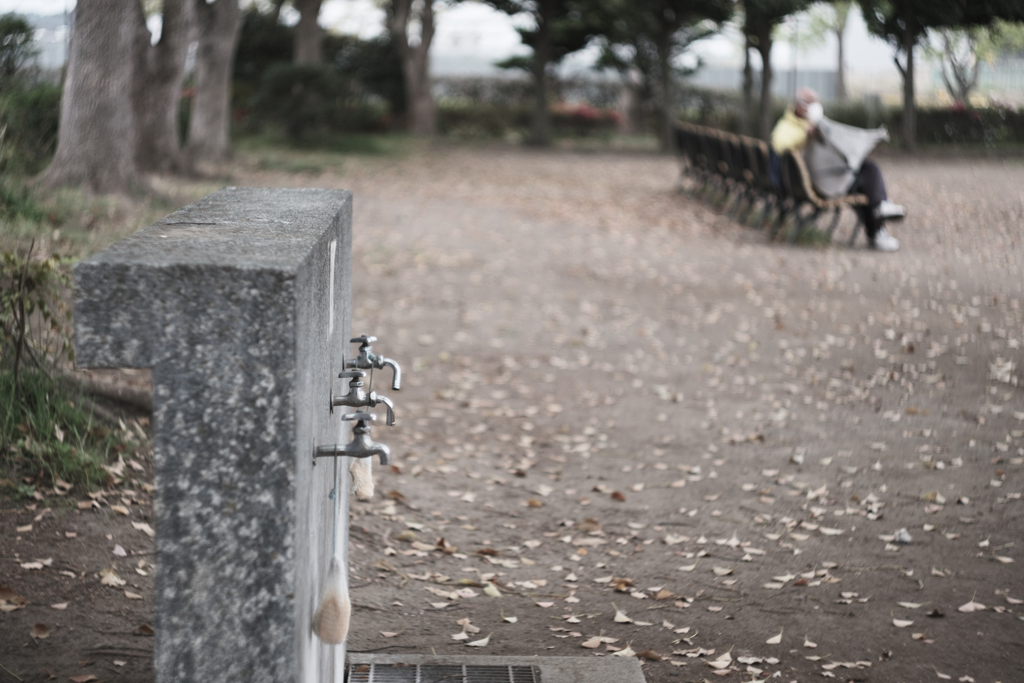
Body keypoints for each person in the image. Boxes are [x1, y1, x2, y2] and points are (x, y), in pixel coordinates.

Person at [770, 87, 905, 252]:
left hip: (817, 179)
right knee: (866, 178)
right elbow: (780, 144)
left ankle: (880, 212)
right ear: (799, 105)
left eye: (817, 102)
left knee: (867, 171)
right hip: (818, 183)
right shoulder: (789, 125)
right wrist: (805, 133)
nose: (816, 106)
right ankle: (878, 226)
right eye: (812, 103)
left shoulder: (812, 124)